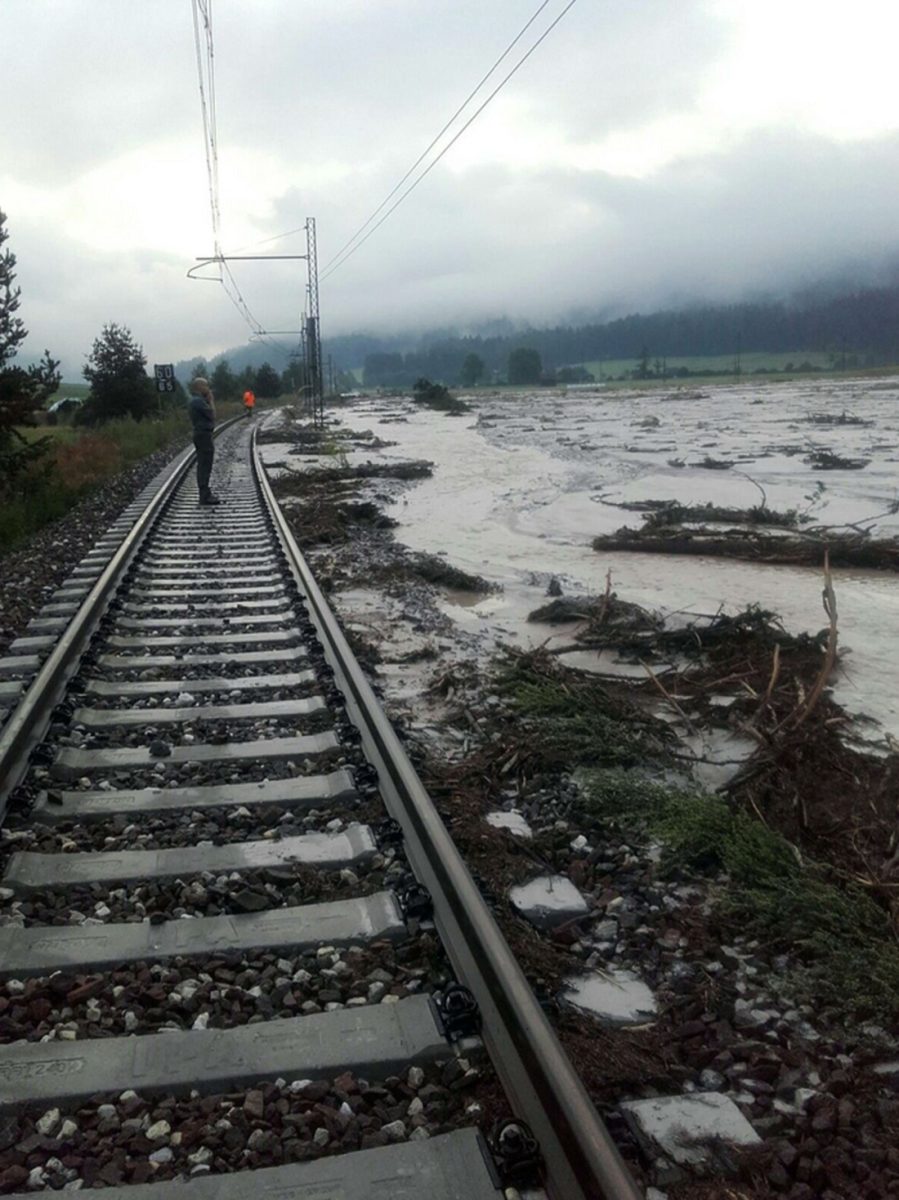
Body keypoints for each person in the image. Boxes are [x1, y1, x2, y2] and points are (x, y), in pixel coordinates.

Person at [188, 377, 220, 506]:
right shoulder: (198, 401)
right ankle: (204, 495)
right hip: (203, 435)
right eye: (206, 386)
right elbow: (212, 415)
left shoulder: (196, 401)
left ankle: (205, 493)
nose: (208, 388)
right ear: (199, 387)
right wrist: (211, 400)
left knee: (204, 463)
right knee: (205, 464)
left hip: (202, 434)